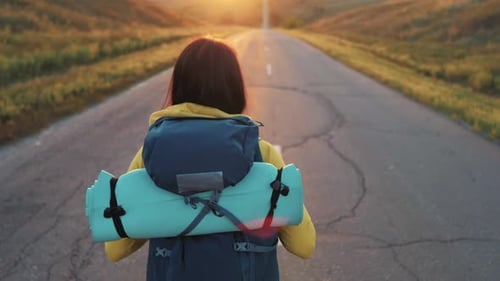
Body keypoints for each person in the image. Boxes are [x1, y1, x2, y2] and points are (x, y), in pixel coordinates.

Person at [104, 37, 316, 281]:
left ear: (179, 86)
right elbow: (304, 245)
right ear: (235, 87)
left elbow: (116, 248)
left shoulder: (150, 156)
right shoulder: (262, 155)